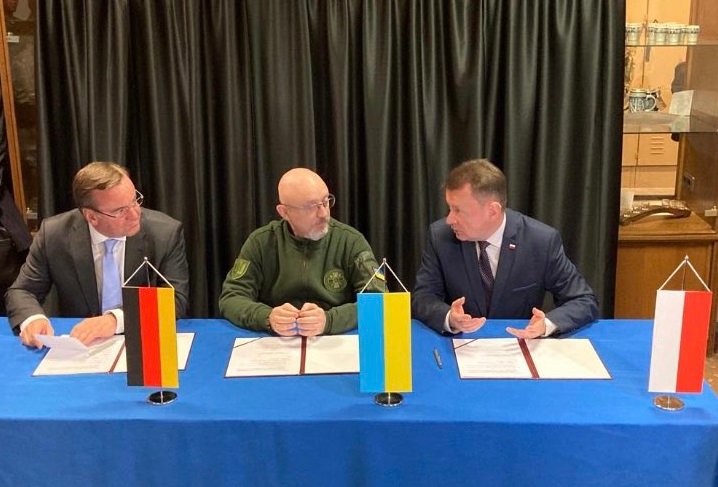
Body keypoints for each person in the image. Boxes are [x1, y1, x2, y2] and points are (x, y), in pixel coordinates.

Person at [5, 161, 189, 347]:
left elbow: (176, 299)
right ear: (91, 217)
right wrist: (33, 319)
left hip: (142, 341)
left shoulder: (164, 233)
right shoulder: (54, 234)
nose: (135, 214)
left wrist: (114, 320)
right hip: (79, 346)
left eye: (135, 200)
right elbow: (22, 291)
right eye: (120, 210)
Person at [412, 158, 598, 337]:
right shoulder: (440, 237)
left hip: (518, 343)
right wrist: (449, 318)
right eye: (450, 208)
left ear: (492, 211)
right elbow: (423, 296)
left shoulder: (540, 241)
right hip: (460, 344)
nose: (449, 219)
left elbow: (583, 300)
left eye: (458, 210)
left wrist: (546, 324)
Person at [219, 167, 382, 336]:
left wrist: (330, 320)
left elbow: (379, 300)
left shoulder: (350, 241)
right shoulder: (261, 242)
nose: (323, 213)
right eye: (311, 206)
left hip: (334, 338)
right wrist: (267, 317)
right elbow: (232, 297)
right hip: (277, 340)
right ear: (284, 212)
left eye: (326, 201)